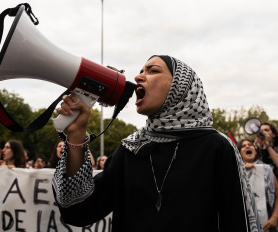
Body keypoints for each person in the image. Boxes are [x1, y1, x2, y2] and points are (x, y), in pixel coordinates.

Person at [52, 55, 259, 231]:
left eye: (152, 71)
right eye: (141, 70)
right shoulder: (131, 149)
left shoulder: (216, 147)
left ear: (180, 86)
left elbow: (237, 221)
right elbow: (78, 211)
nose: (138, 76)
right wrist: (77, 136)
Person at [238, 139, 278, 232]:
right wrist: (241, 169)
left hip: (266, 217)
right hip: (243, 217)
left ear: (255, 149)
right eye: (243, 146)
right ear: (239, 153)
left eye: (250, 144)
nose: (247, 146)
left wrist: (275, 217)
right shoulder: (234, 170)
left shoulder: (267, 169)